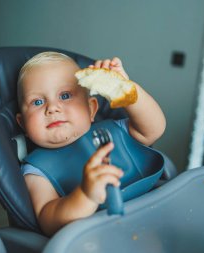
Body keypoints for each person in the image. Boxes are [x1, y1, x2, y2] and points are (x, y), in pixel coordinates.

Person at [15, 51, 166, 236]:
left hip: (156, 216)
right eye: (37, 101)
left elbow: (154, 128)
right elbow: (48, 219)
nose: (52, 108)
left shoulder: (114, 129)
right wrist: (85, 195)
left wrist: (125, 89)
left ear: (91, 108)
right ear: (22, 124)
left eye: (64, 96)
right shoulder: (36, 171)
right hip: (100, 238)